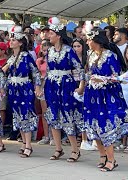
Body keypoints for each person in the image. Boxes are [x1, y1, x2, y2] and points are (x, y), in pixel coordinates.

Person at [82, 27, 128, 171]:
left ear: (96, 40)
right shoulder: (90, 54)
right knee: (93, 124)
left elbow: (117, 77)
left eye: (89, 39)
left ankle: (112, 160)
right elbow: (88, 72)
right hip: (92, 95)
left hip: (106, 95)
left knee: (105, 125)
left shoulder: (110, 56)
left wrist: (103, 79)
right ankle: (102, 156)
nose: (87, 42)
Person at [45, 17, 85, 162]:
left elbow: (79, 69)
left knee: (67, 116)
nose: (48, 36)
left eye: (51, 34)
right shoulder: (49, 51)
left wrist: (80, 87)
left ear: (58, 36)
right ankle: (58, 148)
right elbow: (48, 69)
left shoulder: (68, 51)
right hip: (51, 86)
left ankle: (75, 149)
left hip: (66, 85)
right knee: (53, 115)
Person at [2, 26, 42, 157]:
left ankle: (29, 145)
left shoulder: (26, 56)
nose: (11, 42)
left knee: (26, 114)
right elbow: (3, 72)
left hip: (25, 88)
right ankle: (24, 143)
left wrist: (37, 86)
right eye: (11, 39)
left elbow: (35, 72)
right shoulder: (11, 57)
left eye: (14, 40)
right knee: (17, 114)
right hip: (13, 88)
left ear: (20, 42)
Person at [72, 38, 97, 151]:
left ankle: (93, 140)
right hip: (75, 86)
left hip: (87, 86)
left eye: (78, 46)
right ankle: (84, 140)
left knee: (89, 113)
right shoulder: (71, 57)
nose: (76, 49)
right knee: (81, 114)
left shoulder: (87, 57)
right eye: (74, 46)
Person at [36, 40, 53, 145]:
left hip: (52, 86)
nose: (45, 48)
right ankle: (46, 136)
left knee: (53, 111)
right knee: (44, 112)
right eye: (43, 46)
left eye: (47, 46)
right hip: (42, 86)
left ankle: (54, 136)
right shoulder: (39, 61)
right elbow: (37, 74)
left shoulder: (54, 60)